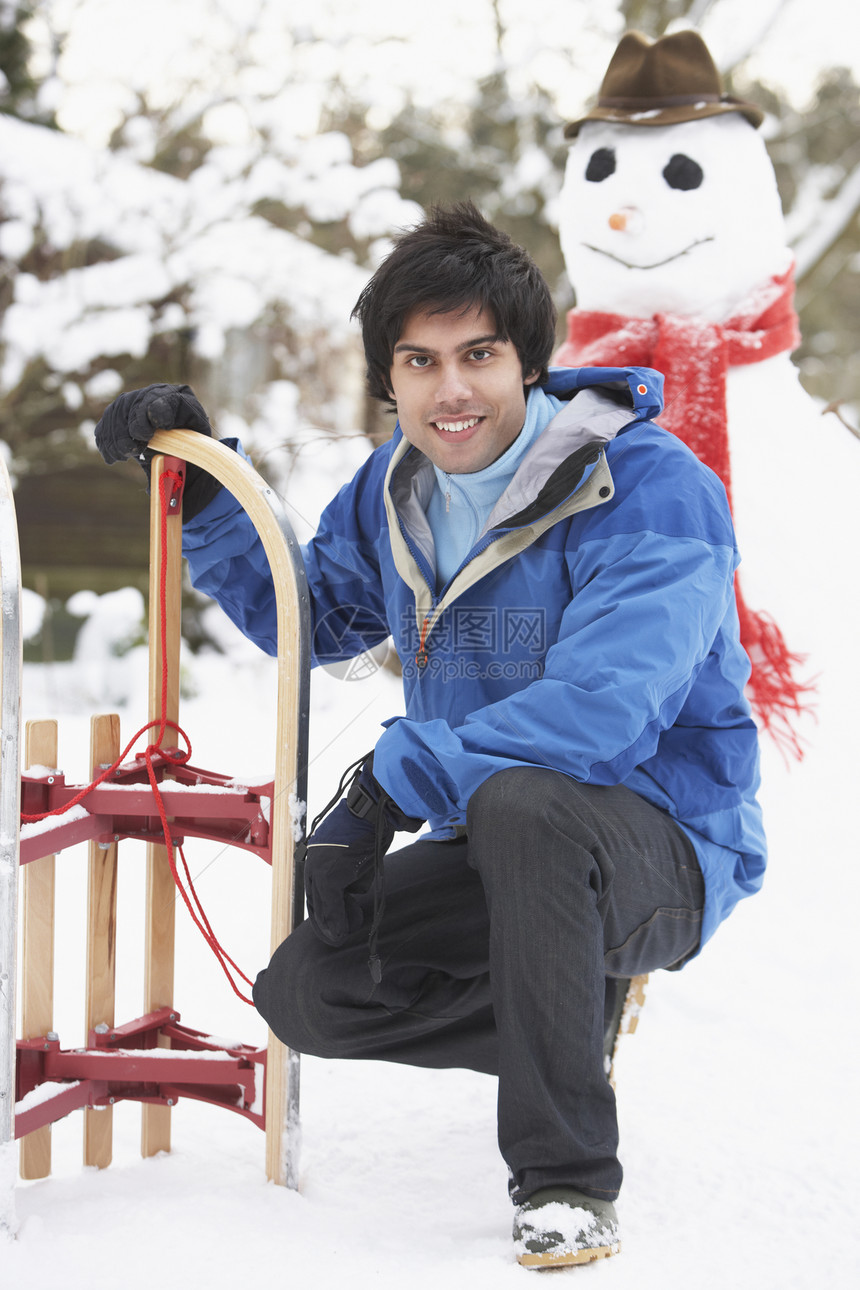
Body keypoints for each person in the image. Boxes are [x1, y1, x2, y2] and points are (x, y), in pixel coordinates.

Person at [94, 202, 766, 1269]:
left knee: (527, 801)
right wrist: (208, 494)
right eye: (419, 361)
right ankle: (562, 1010)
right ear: (389, 378)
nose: (451, 390)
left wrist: (383, 787)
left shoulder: (646, 488)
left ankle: (563, 1180)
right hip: (503, 844)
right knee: (309, 992)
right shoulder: (394, 490)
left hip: (665, 842)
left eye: (479, 355)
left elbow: (602, 710)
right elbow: (306, 617)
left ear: (528, 363)